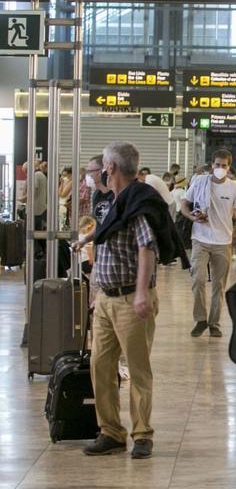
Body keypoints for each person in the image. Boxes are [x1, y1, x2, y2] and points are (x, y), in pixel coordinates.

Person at [76, 141, 188, 460]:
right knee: (101, 366)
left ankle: (142, 434)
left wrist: (141, 292)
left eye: (102, 167)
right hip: (107, 299)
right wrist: (96, 290)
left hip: (130, 299)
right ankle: (110, 431)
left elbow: (146, 248)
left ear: (110, 168)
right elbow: (105, 246)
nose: (98, 173)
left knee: (138, 369)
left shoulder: (136, 204)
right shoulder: (113, 202)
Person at [181, 149, 236, 338]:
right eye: (217, 165)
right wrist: (192, 218)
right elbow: (185, 205)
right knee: (198, 279)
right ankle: (200, 319)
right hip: (200, 239)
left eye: (224, 165)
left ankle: (214, 323)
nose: (220, 168)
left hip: (223, 242)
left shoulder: (234, 187)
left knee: (219, 285)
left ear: (229, 167)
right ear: (212, 165)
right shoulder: (200, 182)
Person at [85, 155, 115, 225]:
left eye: (90, 171)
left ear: (103, 171)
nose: (88, 175)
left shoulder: (115, 195)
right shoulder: (96, 193)